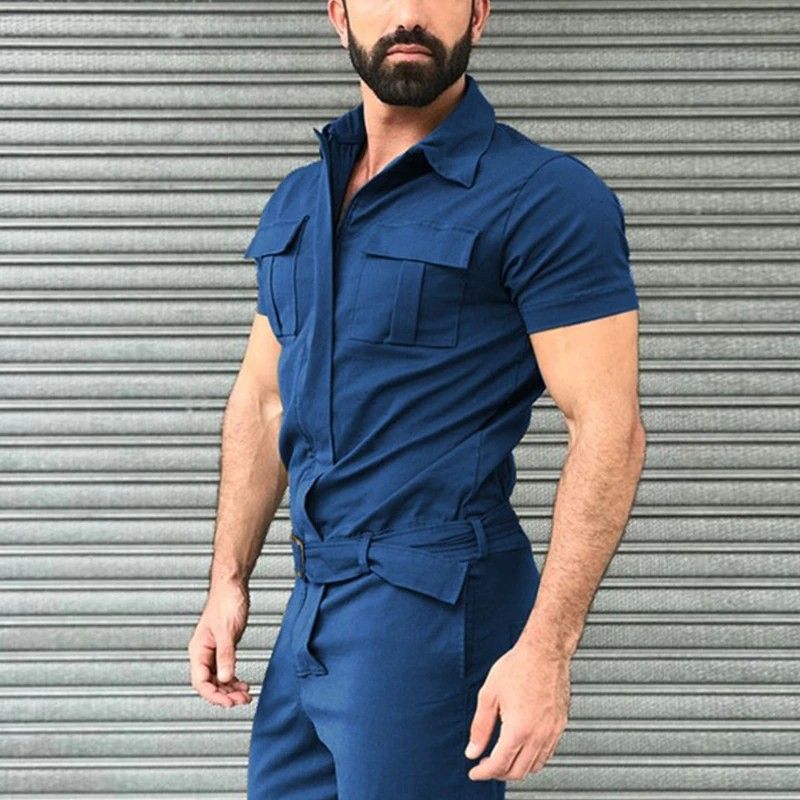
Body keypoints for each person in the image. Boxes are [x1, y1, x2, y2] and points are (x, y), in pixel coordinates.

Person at [188, 1, 646, 797]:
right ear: (338, 14)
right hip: (311, 606)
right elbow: (263, 399)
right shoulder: (301, 199)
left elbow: (609, 426)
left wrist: (547, 648)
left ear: (478, 13)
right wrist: (227, 580)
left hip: (433, 610)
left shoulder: (544, 196)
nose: (407, 15)